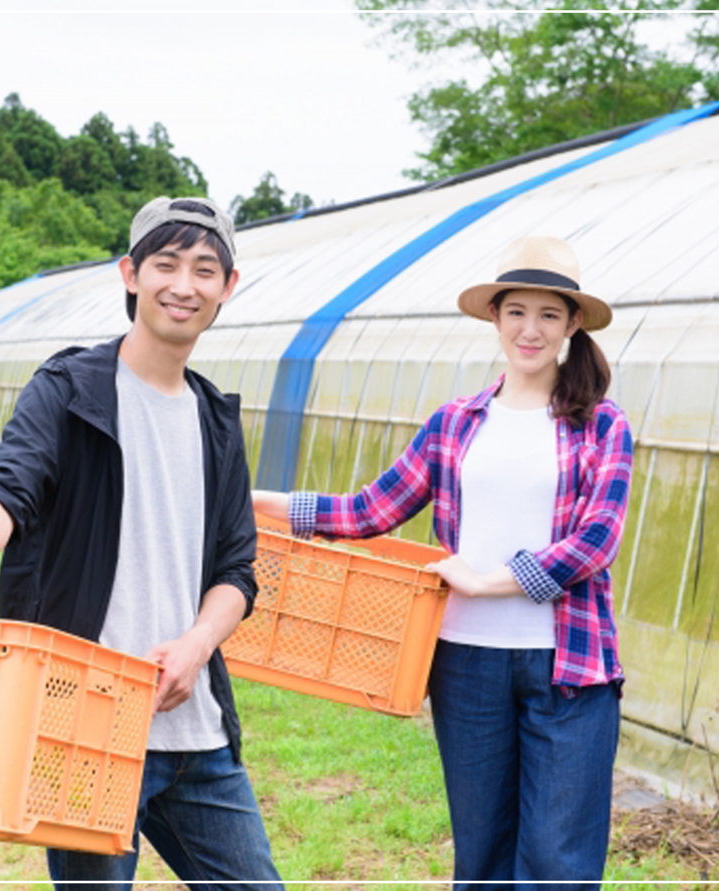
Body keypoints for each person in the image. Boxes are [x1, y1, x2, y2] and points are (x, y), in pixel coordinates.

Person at [0, 196, 284, 889]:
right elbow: (7, 482)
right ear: (130, 274)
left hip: (195, 734)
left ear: (228, 286)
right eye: (166, 264)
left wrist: (198, 643)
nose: (184, 285)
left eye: (205, 269)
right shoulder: (71, 388)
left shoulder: (217, 422)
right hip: (84, 726)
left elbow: (237, 567)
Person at [254, 235, 632, 890]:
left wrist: (490, 579)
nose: (531, 329)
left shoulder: (602, 424)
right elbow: (371, 508)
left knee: (559, 866)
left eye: (548, 314)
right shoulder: (456, 423)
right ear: (495, 318)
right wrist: (257, 501)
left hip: (569, 666)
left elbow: (597, 538)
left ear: (572, 323)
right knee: (482, 859)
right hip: (466, 664)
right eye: (517, 311)